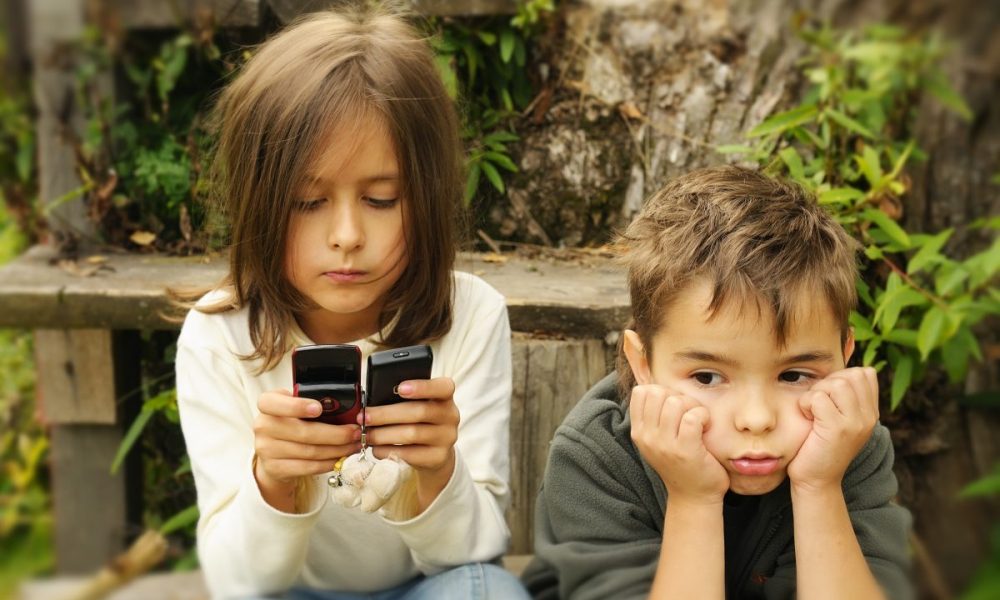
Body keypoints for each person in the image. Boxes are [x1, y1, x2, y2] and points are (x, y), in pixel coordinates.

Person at [174, 5, 529, 599]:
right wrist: (272, 482)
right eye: (308, 202)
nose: (346, 235)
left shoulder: (471, 314)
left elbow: (475, 553)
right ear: (260, 202)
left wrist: (438, 471)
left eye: (382, 199)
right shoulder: (219, 335)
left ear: (426, 195)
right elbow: (239, 582)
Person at [521, 166, 913, 599]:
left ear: (844, 358)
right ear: (643, 363)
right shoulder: (597, 456)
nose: (756, 419)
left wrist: (819, 487)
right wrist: (694, 500)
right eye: (707, 377)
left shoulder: (848, 448)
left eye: (794, 375)